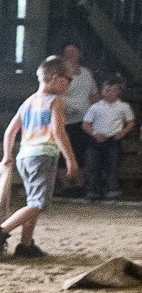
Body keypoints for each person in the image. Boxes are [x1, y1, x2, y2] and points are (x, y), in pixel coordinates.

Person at [0, 55, 80, 261]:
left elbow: (10, 131)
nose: (69, 83)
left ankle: (26, 245)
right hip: (43, 155)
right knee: (39, 203)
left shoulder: (28, 102)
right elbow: (58, 131)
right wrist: (71, 159)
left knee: (32, 201)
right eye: (69, 79)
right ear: (54, 78)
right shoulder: (55, 101)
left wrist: (7, 156)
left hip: (24, 156)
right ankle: (0, 231)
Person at [82, 76, 135, 201]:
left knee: (112, 166)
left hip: (113, 140)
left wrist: (122, 133)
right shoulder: (95, 107)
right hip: (97, 139)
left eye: (113, 90)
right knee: (93, 166)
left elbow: (131, 122)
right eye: (107, 90)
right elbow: (86, 124)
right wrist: (94, 133)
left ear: (118, 92)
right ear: (102, 91)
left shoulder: (123, 106)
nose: (109, 93)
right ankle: (93, 191)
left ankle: (112, 192)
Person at [59, 42, 99, 191]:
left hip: (83, 119)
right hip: (64, 119)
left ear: (79, 54)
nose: (71, 56)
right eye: (67, 53)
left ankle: (80, 184)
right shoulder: (61, 74)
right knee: (64, 152)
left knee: (80, 152)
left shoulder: (86, 73)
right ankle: (66, 186)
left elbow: (93, 94)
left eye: (74, 52)